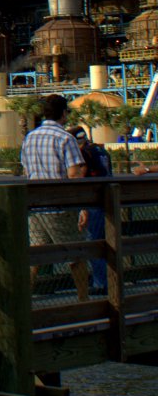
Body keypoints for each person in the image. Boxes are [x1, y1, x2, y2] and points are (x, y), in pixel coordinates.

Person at [20, 93, 88, 302]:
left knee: (35, 257)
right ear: (64, 113)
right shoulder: (65, 138)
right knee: (76, 254)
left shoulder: (30, 137)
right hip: (59, 205)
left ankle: (25, 300)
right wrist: (83, 206)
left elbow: (25, 172)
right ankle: (83, 300)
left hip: (34, 204)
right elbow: (74, 175)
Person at [71, 124, 111, 294]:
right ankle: (108, 282)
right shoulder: (101, 151)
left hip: (93, 201)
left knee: (94, 243)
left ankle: (100, 284)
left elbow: (81, 174)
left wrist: (82, 206)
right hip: (108, 199)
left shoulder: (83, 153)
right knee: (105, 243)